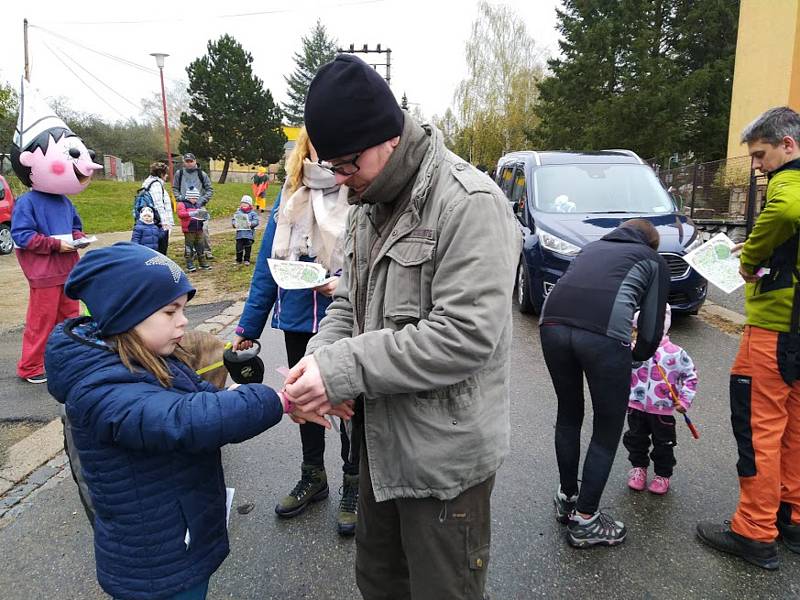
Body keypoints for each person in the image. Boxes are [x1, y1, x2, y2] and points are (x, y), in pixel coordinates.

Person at [283, 54, 521, 598]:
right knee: (380, 584)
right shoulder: (369, 201)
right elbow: (349, 301)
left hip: (444, 465)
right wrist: (318, 365)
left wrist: (342, 369)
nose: (342, 184)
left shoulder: (470, 204)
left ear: (386, 138)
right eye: (333, 170)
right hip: (381, 449)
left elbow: (462, 337)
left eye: (347, 166)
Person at [44, 242, 346, 600]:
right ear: (124, 314)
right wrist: (278, 401)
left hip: (178, 540)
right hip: (154, 566)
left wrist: (271, 397)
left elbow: (207, 397)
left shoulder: (152, 357)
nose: (184, 321)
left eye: (183, 310)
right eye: (171, 311)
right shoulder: (100, 388)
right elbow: (187, 419)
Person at [232, 126, 356, 535]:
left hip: (348, 316)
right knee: (304, 399)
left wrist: (345, 283)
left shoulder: (360, 190)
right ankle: (313, 475)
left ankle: (354, 484)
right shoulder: (291, 195)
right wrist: (249, 325)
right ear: (308, 143)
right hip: (300, 317)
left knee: (354, 404)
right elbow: (267, 268)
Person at [696, 106, 800, 570]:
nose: (757, 166)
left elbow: (787, 208)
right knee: (795, 430)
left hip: (775, 328)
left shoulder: (788, 188)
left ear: (788, 146)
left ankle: (754, 532)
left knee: (759, 429)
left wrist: (751, 254)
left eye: (761, 155)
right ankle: (791, 516)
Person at [540, 219, 669, 548]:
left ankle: (567, 497)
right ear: (649, 243)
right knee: (607, 428)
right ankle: (586, 520)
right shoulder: (653, 260)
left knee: (569, 413)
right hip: (604, 336)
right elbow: (652, 330)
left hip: (551, 323)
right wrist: (637, 357)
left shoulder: (591, 248)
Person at [9, 79, 103, 384]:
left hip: (68, 271)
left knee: (70, 319)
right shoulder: (27, 202)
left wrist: (78, 238)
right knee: (41, 321)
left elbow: (75, 227)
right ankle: (31, 367)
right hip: (44, 274)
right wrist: (54, 245)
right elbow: (21, 237)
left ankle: (69, 361)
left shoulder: (63, 201)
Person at [624, 304, 698, 495]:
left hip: (662, 410)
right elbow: (620, 372)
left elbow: (690, 376)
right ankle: (638, 468)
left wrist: (684, 400)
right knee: (636, 440)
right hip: (635, 407)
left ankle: (662, 475)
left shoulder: (675, 353)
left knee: (664, 444)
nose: (639, 333)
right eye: (637, 329)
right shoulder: (633, 349)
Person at [173, 152, 214, 260]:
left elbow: (209, 190)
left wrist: (202, 201)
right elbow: (175, 188)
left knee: (203, 229)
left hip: (199, 206)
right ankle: (192, 251)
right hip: (186, 207)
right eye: (187, 161)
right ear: (184, 162)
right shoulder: (179, 173)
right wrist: (180, 198)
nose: (189, 163)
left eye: (191, 161)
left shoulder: (202, 174)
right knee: (189, 230)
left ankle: (206, 250)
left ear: (195, 161)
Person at [141, 161, 174, 255]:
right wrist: (165, 224)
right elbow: (159, 205)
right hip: (158, 223)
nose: (167, 175)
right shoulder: (156, 185)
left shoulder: (148, 183)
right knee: (160, 250)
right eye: (165, 173)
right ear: (161, 173)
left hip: (153, 221)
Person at [177, 188, 211, 273]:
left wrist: (205, 217)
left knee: (200, 245)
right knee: (189, 246)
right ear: (188, 197)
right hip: (189, 229)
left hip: (199, 229)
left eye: (196, 198)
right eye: (193, 198)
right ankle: (189, 263)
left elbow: (200, 215)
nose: (194, 200)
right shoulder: (182, 204)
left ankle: (202, 262)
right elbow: (180, 214)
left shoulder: (198, 205)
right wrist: (191, 214)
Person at [231, 195, 259, 266]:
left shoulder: (253, 213)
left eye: (245, 204)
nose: (243, 205)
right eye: (242, 204)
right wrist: (234, 224)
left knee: (248, 247)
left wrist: (251, 223)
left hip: (249, 235)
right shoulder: (238, 212)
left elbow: (256, 221)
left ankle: (247, 259)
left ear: (249, 205)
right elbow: (234, 220)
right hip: (240, 234)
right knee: (238, 248)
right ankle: (238, 259)